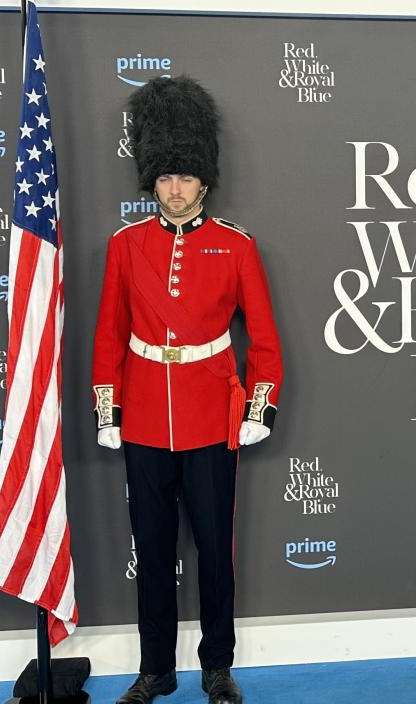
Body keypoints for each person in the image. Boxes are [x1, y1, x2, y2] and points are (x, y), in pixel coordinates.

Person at [92, 76, 283, 704]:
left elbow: (264, 336)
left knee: (214, 554)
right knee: (151, 555)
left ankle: (216, 667)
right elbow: (110, 335)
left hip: (209, 415)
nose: (174, 189)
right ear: (152, 179)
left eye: (186, 177)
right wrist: (107, 406)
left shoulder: (235, 246)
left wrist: (260, 403)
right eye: (165, 177)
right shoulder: (126, 246)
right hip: (145, 414)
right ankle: (155, 671)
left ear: (204, 180)